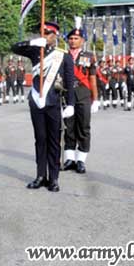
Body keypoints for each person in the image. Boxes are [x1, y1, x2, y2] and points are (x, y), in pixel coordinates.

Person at [11, 21, 75, 192]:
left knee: (54, 141)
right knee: (40, 140)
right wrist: (32, 43)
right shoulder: (35, 51)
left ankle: (53, 178)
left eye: (47, 33)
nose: (44, 36)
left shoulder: (64, 55)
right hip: (37, 102)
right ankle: (40, 175)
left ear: (55, 36)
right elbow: (14, 47)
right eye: (42, 32)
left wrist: (71, 104)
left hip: (53, 102)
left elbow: (69, 81)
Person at [62, 19, 99, 175]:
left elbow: (92, 78)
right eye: (70, 38)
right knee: (68, 127)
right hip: (66, 93)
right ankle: (69, 158)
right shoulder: (62, 55)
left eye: (76, 38)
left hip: (83, 93)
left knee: (83, 127)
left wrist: (95, 99)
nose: (73, 41)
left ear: (82, 41)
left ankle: (81, 160)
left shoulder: (89, 56)